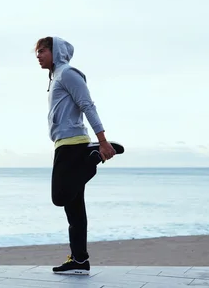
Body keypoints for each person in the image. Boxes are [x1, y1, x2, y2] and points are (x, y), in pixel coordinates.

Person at [35, 36, 124, 275]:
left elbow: (87, 105)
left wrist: (103, 141)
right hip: (64, 143)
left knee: (60, 196)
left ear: (56, 51)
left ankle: (95, 156)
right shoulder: (56, 78)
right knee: (74, 210)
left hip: (74, 145)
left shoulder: (68, 74)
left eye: (42, 51)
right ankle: (80, 260)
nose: (38, 56)